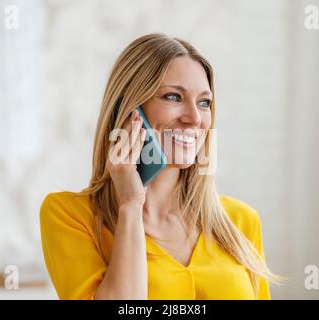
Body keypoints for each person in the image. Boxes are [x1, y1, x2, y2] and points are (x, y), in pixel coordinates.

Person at [40, 33, 281, 300]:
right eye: (173, 97)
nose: (194, 118)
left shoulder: (240, 221)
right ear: (131, 109)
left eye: (204, 102)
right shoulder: (69, 216)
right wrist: (130, 204)